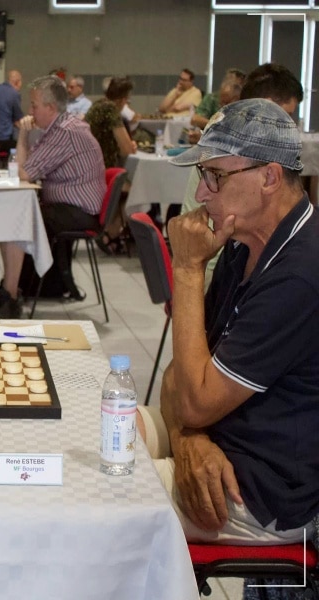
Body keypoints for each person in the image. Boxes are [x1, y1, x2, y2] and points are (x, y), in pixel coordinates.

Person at [139, 98, 319, 547]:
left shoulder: (299, 276)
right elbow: (177, 378)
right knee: (98, 434)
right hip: (216, 440)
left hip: (259, 489)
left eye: (214, 176)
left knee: (98, 494)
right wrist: (189, 439)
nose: (201, 195)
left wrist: (186, 268)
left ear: (269, 178)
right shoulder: (242, 244)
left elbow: (192, 400)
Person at [180, 62, 304, 288]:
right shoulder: (226, 157)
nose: (286, 129)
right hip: (209, 269)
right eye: (280, 118)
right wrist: (188, 267)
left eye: (289, 120)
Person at [0, 75, 105, 304]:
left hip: (78, 211)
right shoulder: (60, 127)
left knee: (15, 217)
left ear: (50, 107)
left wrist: (22, 134)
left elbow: (23, 173)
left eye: (34, 105)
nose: (29, 111)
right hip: (70, 207)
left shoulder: (64, 132)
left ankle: (10, 293)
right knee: (13, 213)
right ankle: (12, 285)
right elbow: (27, 168)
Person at [85, 76, 136, 169]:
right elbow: (127, 151)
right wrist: (130, 145)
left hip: (88, 163)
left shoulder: (98, 104)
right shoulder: (110, 109)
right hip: (100, 168)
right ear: (123, 100)